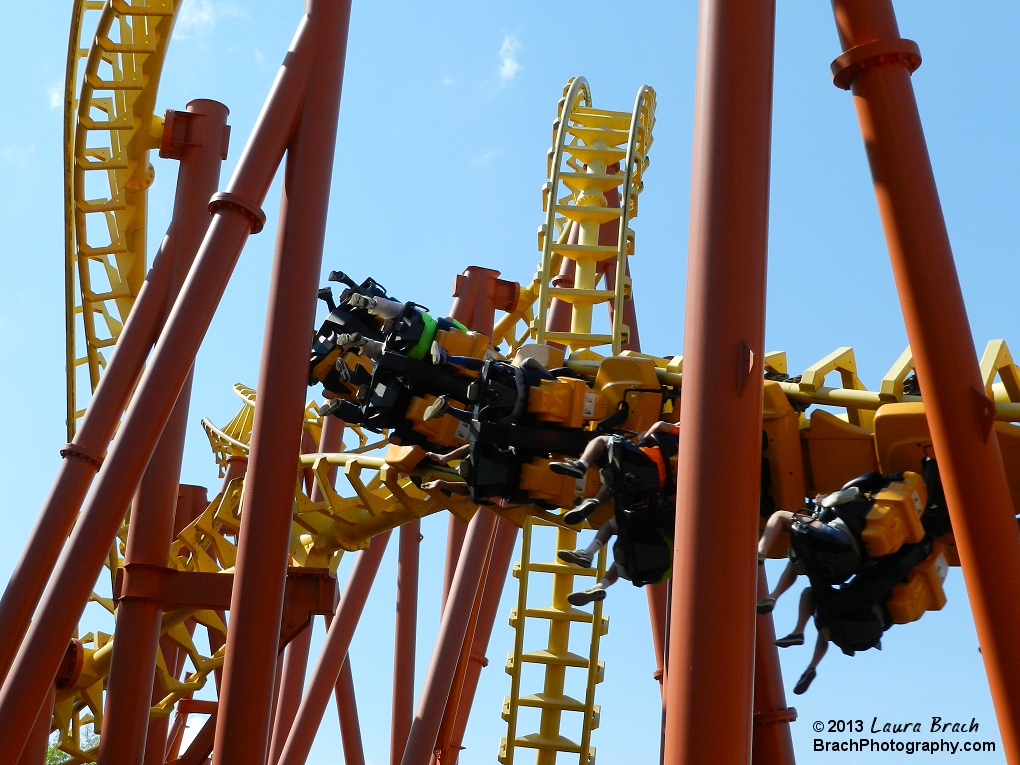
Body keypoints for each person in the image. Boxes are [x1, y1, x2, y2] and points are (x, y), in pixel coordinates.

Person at [553, 420, 680, 605]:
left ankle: (582, 467)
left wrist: (645, 434)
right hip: (651, 489)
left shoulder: (685, 429)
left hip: (645, 463)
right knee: (627, 541)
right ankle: (599, 586)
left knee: (604, 441)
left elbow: (661, 425)